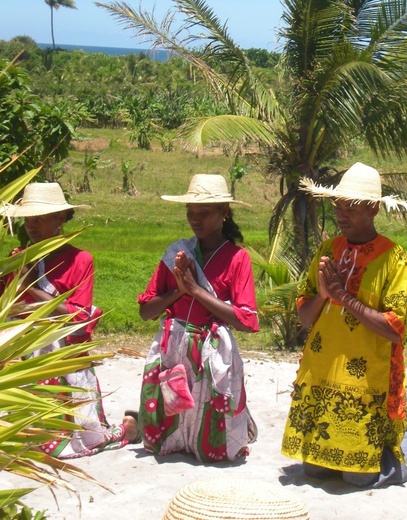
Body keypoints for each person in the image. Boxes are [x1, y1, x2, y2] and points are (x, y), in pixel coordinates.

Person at [281, 162, 407, 487]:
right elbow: (305, 315)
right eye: (339, 205)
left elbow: (394, 328)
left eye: (351, 206)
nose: (342, 214)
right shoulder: (328, 251)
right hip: (325, 374)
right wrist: (325, 295)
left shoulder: (396, 259)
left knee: (358, 478)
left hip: (368, 380)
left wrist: (346, 298)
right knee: (315, 471)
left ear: (374, 209)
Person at [1, 182, 140, 458]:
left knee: (79, 436)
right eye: (28, 219)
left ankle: (130, 428)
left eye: (40, 219)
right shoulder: (18, 258)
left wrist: (31, 285)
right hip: (23, 350)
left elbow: (78, 313)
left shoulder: (79, 260)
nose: (32, 226)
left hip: (61, 352)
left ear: (60, 219)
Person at [137, 174, 259, 463]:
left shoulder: (236, 258)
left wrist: (195, 290)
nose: (195, 219)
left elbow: (246, 321)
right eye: (190, 212)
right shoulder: (176, 255)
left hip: (211, 348)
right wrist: (179, 292)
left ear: (223, 213)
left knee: (213, 445)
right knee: (168, 427)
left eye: (204, 213)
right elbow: (146, 312)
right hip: (175, 344)